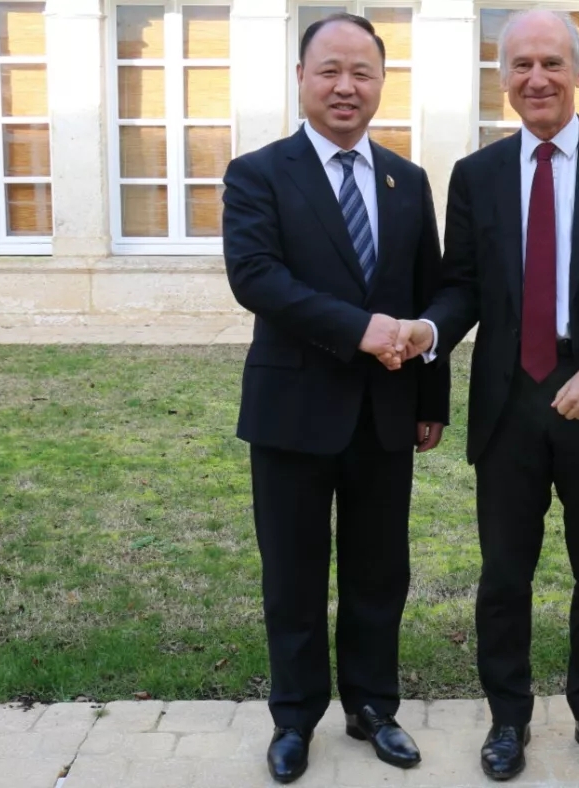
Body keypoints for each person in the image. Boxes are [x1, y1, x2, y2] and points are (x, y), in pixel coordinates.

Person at [393, 9, 579, 782]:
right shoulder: (477, 175)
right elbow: (462, 287)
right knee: (503, 576)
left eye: (552, 62)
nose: (537, 78)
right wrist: (427, 331)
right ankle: (508, 719)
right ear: (503, 79)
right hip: (508, 402)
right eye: (521, 64)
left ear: (578, 72)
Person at [221, 13, 449, 785]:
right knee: (292, 574)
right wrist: (359, 329)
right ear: (301, 79)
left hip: (386, 413)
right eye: (330, 71)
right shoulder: (258, 174)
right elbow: (257, 277)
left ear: (382, 83)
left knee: (380, 571)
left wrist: (431, 400)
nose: (346, 86)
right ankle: (294, 719)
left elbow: (426, 293)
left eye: (362, 72)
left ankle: (373, 707)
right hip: (292, 413)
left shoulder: (407, 182)